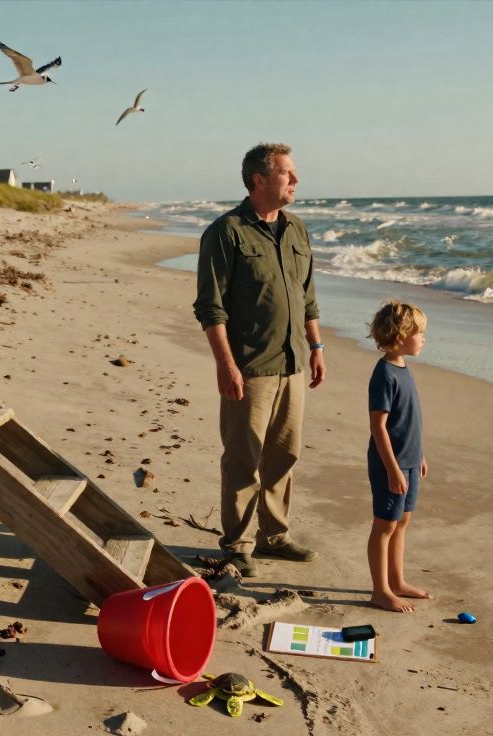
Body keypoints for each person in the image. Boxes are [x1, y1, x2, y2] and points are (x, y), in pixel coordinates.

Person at [192, 143, 326, 578]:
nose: (296, 180)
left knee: (283, 456)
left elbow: (307, 296)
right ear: (259, 180)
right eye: (288, 173)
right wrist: (225, 365)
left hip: (293, 362)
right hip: (249, 366)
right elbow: (210, 307)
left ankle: (274, 537)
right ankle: (238, 545)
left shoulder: (297, 230)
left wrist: (317, 347)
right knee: (242, 458)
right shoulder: (226, 232)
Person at [365, 300, 431, 612]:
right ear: (401, 335)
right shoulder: (385, 374)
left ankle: (397, 580)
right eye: (420, 333)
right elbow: (379, 427)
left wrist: (418, 456)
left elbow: (409, 420)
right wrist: (391, 469)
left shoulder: (404, 368)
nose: (423, 339)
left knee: (402, 521)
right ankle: (380, 590)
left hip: (409, 460)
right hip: (388, 464)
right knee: (385, 525)